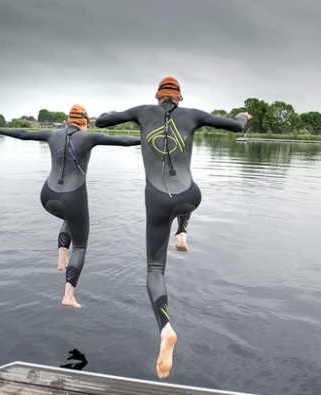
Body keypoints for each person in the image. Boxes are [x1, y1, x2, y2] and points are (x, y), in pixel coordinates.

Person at [95, 77, 252, 379]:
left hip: (157, 199)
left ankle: (165, 329)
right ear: (179, 98)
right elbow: (236, 126)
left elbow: (102, 122)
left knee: (155, 270)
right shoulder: (193, 114)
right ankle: (182, 232)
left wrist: (107, 116)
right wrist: (244, 116)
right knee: (185, 202)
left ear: (157, 98)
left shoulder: (142, 111)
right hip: (191, 196)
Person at [0, 104, 141, 309]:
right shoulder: (88, 137)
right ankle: (69, 295)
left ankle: (61, 260)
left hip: (47, 196)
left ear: (68, 120)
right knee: (81, 245)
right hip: (73, 198)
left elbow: (23, 134)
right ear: (84, 122)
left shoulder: (52, 133)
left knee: (68, 220)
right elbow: (125, 141)